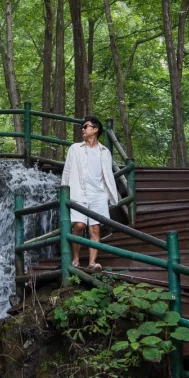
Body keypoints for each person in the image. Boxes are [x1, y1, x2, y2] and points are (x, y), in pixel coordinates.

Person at [60, 116, 119, 271]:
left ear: (95, 129)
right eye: (82, 127)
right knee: (79, 225)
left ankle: (92, 263)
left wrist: (108, 195)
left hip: (97, 195)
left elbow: (107, 175)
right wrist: (64, 192)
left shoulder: (104, 152)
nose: (83, 129)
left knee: (95, 228)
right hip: (78, 192)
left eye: (86, 126)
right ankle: (76, 259)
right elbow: (66, 172)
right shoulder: (75, 149)